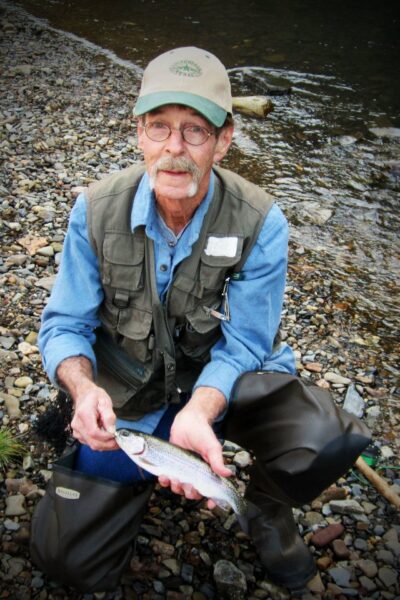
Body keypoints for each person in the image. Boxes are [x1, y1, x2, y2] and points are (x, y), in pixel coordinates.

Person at [36, 47, 370, 593]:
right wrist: (81, 390)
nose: (175, 148)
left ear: (224, 139)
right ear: (139, 132)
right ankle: (144, 476)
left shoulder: (261, 220)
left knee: (326, 433)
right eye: (159, 127)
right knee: (67, 564)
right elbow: (64, 325)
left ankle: (262, 504)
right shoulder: (94, 210)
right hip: (130, 410)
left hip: (219, 392)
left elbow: (246, 342)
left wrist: (201, 408)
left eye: (195, 130)